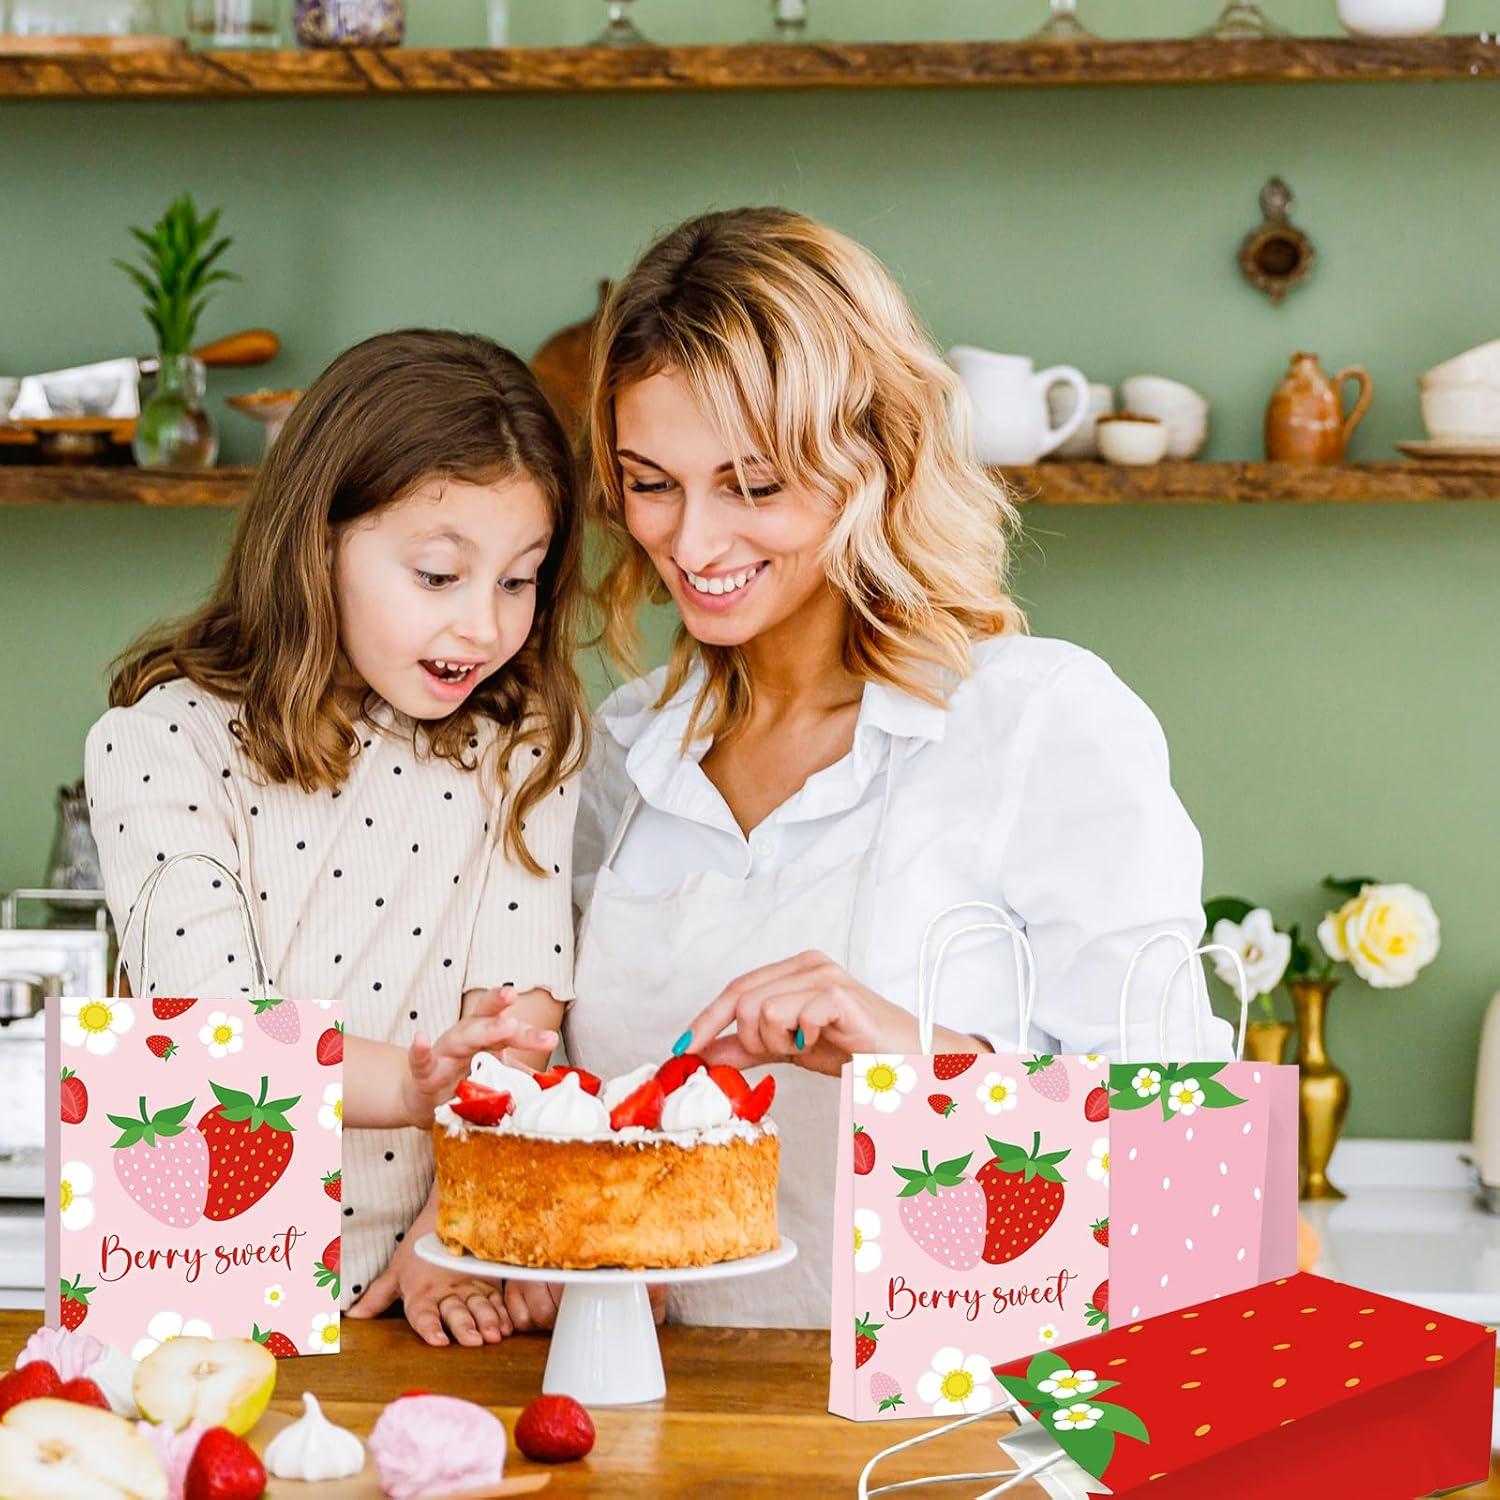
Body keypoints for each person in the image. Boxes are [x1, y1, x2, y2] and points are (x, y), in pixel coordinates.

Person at [570, 207, 1232, 1329]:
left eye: (755, 485)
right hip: (665, 1431)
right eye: (651, 482)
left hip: (960, 1442)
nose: (690, 542)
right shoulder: (623, 755)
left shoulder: (1035, 722)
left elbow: (1193, 1175)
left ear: (873, 458)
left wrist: (913, 1054)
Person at [85, 329, 586, 1348]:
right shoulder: (159, 744)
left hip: (436, 1291)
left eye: (519, 579)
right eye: (440, 576)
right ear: (318, 544)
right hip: (210, 1292)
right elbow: (211, 1036)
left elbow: (518, 1028)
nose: (484, 628)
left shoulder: (522, 745)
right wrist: (412, 1083)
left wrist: (458, 1230)